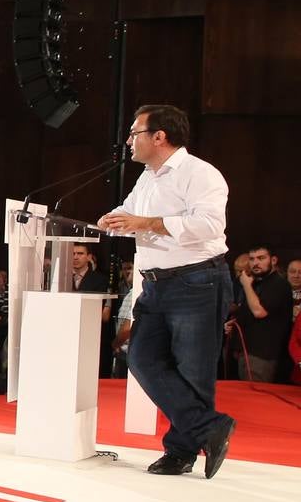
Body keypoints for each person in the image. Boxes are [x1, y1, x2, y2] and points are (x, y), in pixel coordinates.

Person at [97, 104, 234, 478]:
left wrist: (145, 222)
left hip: (197, 281)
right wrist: (114, 219)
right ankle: (209, 427)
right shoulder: (147, 178)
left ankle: (181, 452)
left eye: (134, 133)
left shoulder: (200, 173)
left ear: (159, 136)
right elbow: (129, 212)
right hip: (155, 284)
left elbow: (208, 224)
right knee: (140, 358)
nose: (128, 141)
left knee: (193, 370)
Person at [232, 246, 292, 384]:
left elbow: (259, 312)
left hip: (262, 355)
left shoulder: (278, 284)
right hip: (247, 351)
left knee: (256, 398)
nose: (255, 263)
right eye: (252, 259)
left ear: (274, 260)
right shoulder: (257, 283)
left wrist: (246, 285)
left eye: (261, 258)